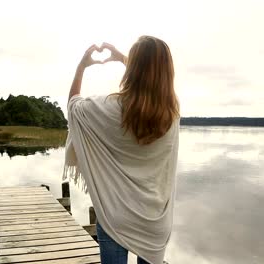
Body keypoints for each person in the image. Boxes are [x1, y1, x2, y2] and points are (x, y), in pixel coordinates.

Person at [63, 35, 179, 264]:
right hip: (156, 220)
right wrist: (124, 59)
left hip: (115, 215)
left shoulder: (108, 108)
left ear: (133, 69)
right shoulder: (171, 115)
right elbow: (150, 80)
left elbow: (73, 106)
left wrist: (81, 67)